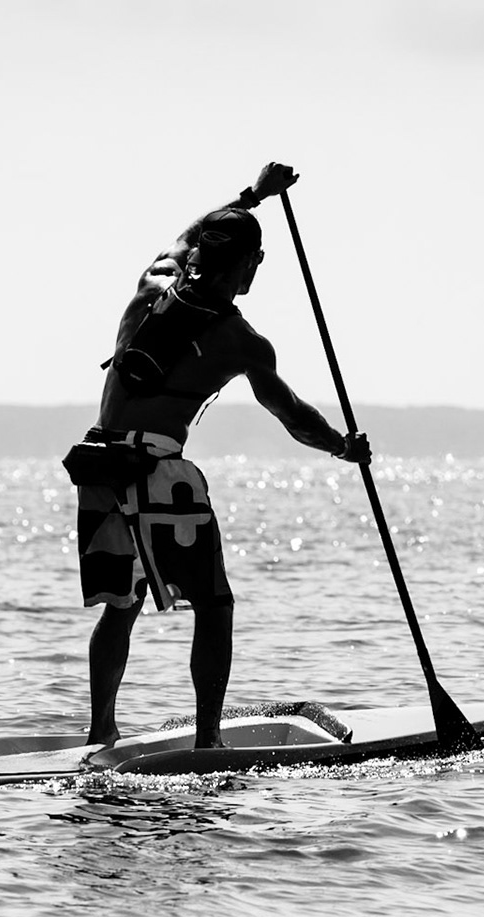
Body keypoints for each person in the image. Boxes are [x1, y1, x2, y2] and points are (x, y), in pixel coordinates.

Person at [74, 162, 371, 750]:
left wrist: (252, 196)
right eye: (255, 261)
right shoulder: (241, 340)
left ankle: (101, 730)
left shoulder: (154, 281)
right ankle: (208, 741)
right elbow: (292, 415)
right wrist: (342, 446)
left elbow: (187, 233)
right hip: (157, 473)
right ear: (247, 263)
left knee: (122, 604)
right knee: (214, 605)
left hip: (99, 465)